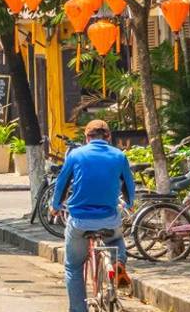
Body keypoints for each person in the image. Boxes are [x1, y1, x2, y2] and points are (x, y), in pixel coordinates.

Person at [53, 119, 137, 310]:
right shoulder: (119, 155)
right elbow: (129, 185)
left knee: (73, 267)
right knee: (116, 241)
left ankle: (78, 309)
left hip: (80, 221)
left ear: (86, 137)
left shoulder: (75, 155)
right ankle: (117, 263)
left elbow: (61, 183)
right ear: (108, 137)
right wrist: (130, 203)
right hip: (109, 218)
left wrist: (56, 205)